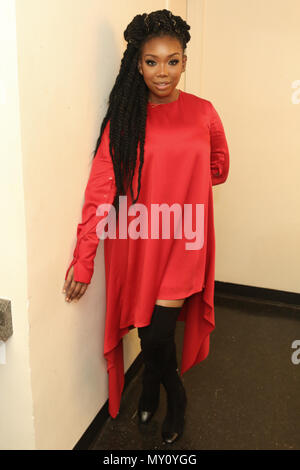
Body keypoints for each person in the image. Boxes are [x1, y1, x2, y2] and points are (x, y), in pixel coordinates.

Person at [62, 9, 229, 445]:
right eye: (152, 61)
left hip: (185, 237)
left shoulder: (204, 113)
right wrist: (83, 262)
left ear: (185, 62)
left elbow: (219, 167)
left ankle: (175, 395)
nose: (162, 72)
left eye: (172, 61)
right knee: (147, 330)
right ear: (138, 63)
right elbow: (100, 192)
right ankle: (152, 385)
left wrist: (179, 188)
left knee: (157, 332)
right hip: (137, 240)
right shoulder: (125, 120)